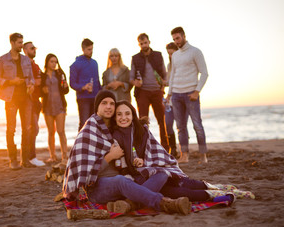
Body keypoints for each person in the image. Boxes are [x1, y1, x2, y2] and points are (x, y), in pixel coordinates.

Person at [63, 90, 191, 215]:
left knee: (162, 174)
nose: (108, 106)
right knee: (120, 181)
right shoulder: (88, 132)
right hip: (98, 189)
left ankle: (129, 204)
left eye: (112, 103)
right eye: (104, 103)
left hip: (126, 182)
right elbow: (87, 175)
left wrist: (140, 161)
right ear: (97, 107)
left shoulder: (114, 128)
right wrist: (110, 157)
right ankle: (165, 204)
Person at [112, 100, 235, 203]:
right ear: (115, 117)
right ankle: (215, 197)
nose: (123, 118)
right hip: (143, 179)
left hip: (156, 170)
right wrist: (136, 164)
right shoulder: (115, 136)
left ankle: (217, 188)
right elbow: (121, 167)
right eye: (119, 114)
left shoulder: (141, 130)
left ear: (133, 115)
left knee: (185, 183)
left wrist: (144, 161)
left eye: (127, 113)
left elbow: (154, 152)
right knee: (177, 193)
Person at [167, 27, 209, 163]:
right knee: (180, 127)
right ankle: (184, 155)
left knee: (197, 125)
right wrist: (169, 94)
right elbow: (173, 75)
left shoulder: (195, 52)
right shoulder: (175, 55)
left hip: (191, 94)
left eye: (178, 38)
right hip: (176, 95)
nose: (176, 41)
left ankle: (203, 155)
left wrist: (197, 91)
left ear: (184, 36)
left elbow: (204, 73)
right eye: (174, 39)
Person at [0, 33, 35, 169]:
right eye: (19, 42)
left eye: (22, 42)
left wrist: (31, 85)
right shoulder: (2, 60)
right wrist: (11, 81)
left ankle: (25, 160)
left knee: (27, 129)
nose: (21, 45)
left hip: (26, 98)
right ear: (11, 42)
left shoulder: (26, 60)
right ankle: (13, 160)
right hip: (10, 98)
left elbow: (32, 78)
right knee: (11, 129)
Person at [130, 33, 169, 152]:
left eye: (145, 43)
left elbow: (164, 73)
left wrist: (163, 84)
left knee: (162, 121)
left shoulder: (158, 55)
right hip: (142, 92)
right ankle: (143, 149)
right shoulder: (135, 58)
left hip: (157, 91)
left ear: (149, 42)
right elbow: (131, 78)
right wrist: (135, 83)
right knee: (142, 121)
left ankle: (166, 149)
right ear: (139, 44)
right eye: (141, 44)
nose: (143, 45)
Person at [41, 54, 69, 165]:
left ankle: (65, 156)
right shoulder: (42, 76)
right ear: (47, 62)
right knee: (51, 132)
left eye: (55, 62)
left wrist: (66, 86)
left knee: (61, 131)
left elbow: (66, 91)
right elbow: (39, 92)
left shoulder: (60, 74)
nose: (54, 64)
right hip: (47, 106)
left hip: (60, 105)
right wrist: (43, 90)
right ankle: (52, 156)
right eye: (52, 61)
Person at [69, 38, 101, 131]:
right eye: (89, 49)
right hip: (83, 98)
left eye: (92, 49)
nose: (91, 52)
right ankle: (80, 144)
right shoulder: (75, 65)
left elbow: (98, 81)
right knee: (84, 123)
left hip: (95, 97)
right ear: (83, 49)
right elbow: (72, 84)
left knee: (96, 123)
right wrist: (83, 87)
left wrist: (101, 94)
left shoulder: (95, 63)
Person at [22, 41, 45, 167]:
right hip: (28, 100)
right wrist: (35, 81)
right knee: (32, 128)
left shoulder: (35, 65)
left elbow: (39, 81)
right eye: (31, 48)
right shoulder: (24, 64)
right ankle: (30, 157)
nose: (34, 50)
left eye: (34, 48)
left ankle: (30, 156)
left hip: (36, 100)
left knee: (33, 129)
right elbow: (32, 81)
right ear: (25, 50)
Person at [164, 42, 179, 158]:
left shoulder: (182, 65)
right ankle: (172, 148)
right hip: (169, 100)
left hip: (179, 98)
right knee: (168, 124)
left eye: (172, 53)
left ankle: (183, 149)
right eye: (169, 54)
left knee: (180, 125)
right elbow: (169, 82)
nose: (171, 56)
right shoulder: (169, 66)